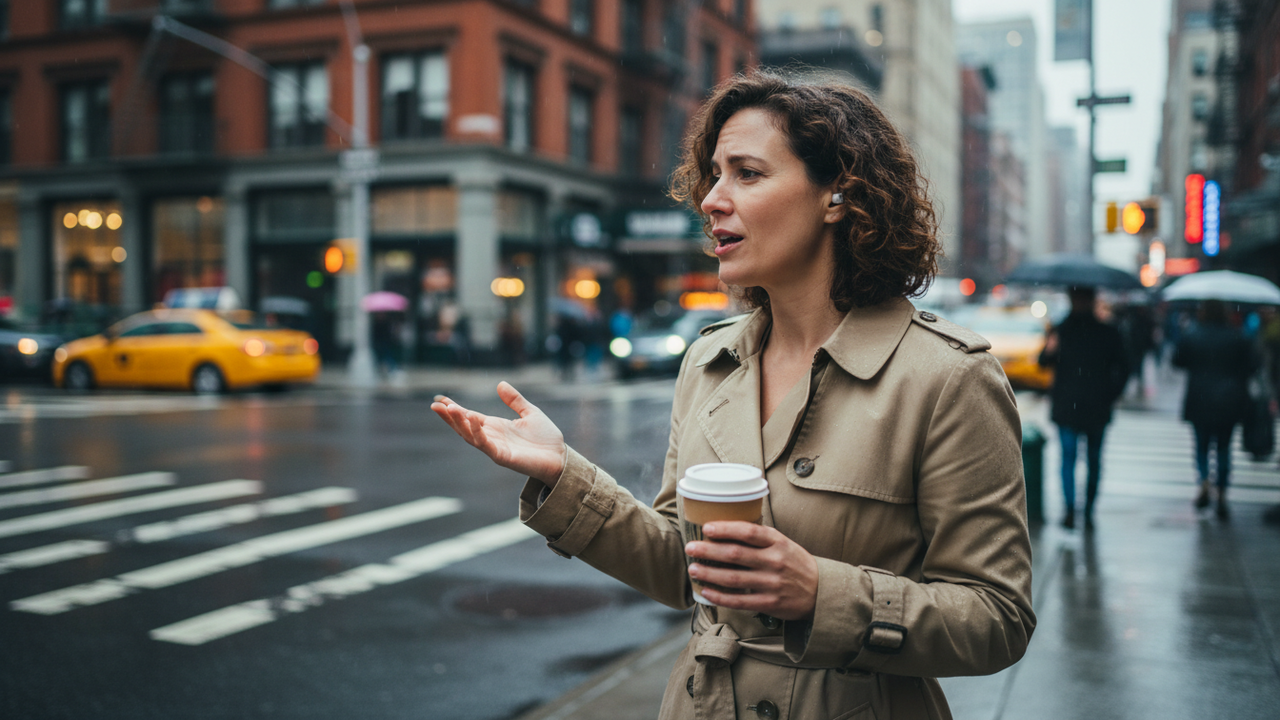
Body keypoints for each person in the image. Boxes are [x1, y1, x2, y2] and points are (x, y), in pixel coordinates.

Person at [432, 71, 1034, 720]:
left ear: (838, 194)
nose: (712, 200)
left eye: (746, 173)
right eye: (714, 175)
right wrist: (562, 474)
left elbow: (997, 616)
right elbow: (681, 567)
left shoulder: (948, 377)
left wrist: (819, 593)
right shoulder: (709, 360)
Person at [1037, 286, 1129, 530]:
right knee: (1083, 459)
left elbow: (1123, 367)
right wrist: (1111, 394)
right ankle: (1076, 510)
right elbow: (1043, 361)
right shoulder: (1071, 330)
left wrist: (1111, 394)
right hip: (1084, 405)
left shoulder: (1076, 329)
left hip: (1077, 404)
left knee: (1082, 459)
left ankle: (1081, 510)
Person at [1173, 300, 1257, 520]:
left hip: (1199, 398)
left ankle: (1203, 480)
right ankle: (1221, 490)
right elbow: (1252, 366)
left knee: (1201, 445)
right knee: (1223, 447)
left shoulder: (1193, 334)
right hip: (1229, 400)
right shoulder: (1237, 336)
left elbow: (1177, 361)